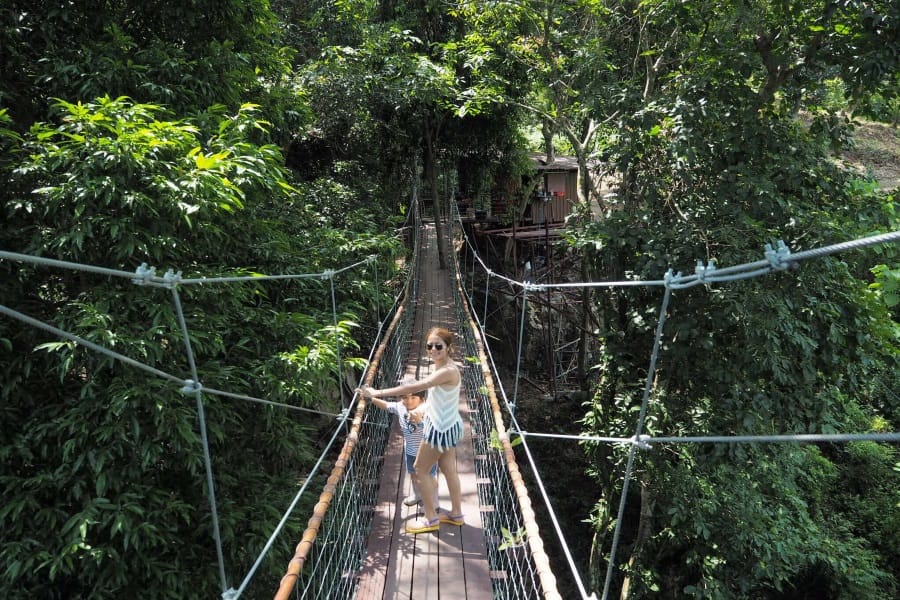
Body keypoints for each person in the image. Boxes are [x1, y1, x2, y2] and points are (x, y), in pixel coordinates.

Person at [357, 327, 464, 534]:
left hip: (439, 429)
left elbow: (415, 387)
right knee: (449, 470)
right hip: (449, 425)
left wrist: (377, 392)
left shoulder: (448, 370)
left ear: (449, 347)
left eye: (438, 346)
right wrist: (423, 409)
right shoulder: (442, 365)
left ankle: (431, 518)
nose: (433, 349)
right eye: (429, 346)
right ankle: (456, 514)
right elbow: (441, 398)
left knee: (419, 469)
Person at [366, 382, 439, 507]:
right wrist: (371, 398)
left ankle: (433, 503)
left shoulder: (427, 411)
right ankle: (417, 495)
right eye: (405, 397)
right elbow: (386, 405)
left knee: (429, 477)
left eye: (413, 397)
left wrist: (419, 421)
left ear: (422, 399)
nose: (409, 401)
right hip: (410, 451)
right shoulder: (400, 407)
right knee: (413, 475)